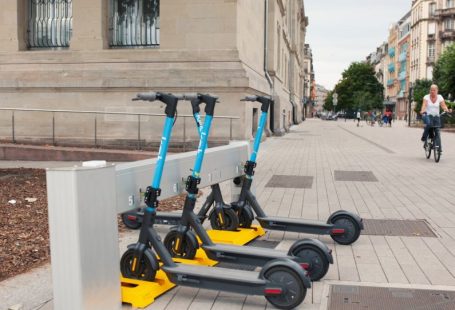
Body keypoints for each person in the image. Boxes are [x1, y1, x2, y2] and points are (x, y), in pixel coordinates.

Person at [420, 84, 452, 151]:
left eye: (434, 90)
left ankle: (439, 148)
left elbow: (443, 106)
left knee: (437, 131)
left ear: (437, 90)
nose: (432, 91)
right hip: (428, 115)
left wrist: (447, 110)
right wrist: (423, 111)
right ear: (429, 90)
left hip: (437, 116)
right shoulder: (426, 97)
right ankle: (424, 137)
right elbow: (424, 105)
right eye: (431, 90)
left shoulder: (440, 97)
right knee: (428, 124)